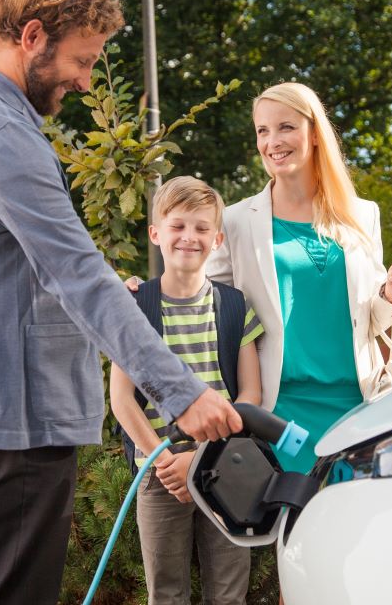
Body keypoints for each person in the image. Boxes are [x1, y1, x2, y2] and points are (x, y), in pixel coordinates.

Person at [0, 0, 241, 605]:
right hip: (10, 424)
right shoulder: (4, 135)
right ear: (32, 37)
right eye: (82, 62)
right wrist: (180, 392)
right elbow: (76, 275)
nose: (86, 82)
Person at [205, 82, 392, 475]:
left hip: (360, 407)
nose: (272, 141)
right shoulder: (234, 221)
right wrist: (146, 291)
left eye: (285, 127)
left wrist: (391, 295)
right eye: (262, 131)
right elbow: (202, 303)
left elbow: (371, 319)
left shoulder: (362, 214)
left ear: (314, 133)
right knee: (295, 531)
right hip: (281, 415)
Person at [110, 176, 264, 605]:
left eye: (200, 228)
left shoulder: (235, 305)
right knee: (167, 592)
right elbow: (122, 400)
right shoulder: (134, 305)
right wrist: (162, 458)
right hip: (160, 472)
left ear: (216, 239)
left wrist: (201, 455)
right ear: (156, 234)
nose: (188, 237)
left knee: (229, 592)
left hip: (224, 467)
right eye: (178, 226)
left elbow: (249, 395)